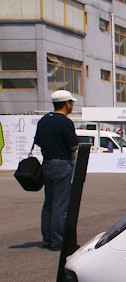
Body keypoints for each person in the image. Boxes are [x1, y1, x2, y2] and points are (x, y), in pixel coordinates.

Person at [33, 90, 79, 251]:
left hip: (47, 163)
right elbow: (73, 146)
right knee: (60, 204)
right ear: (66, 104)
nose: (72, 105)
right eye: (71, 103)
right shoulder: (65, 122)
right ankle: (58, 241)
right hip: (62, 164)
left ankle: (47, 239)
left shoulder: (44, 120)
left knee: (49, 203)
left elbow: (38, 141)